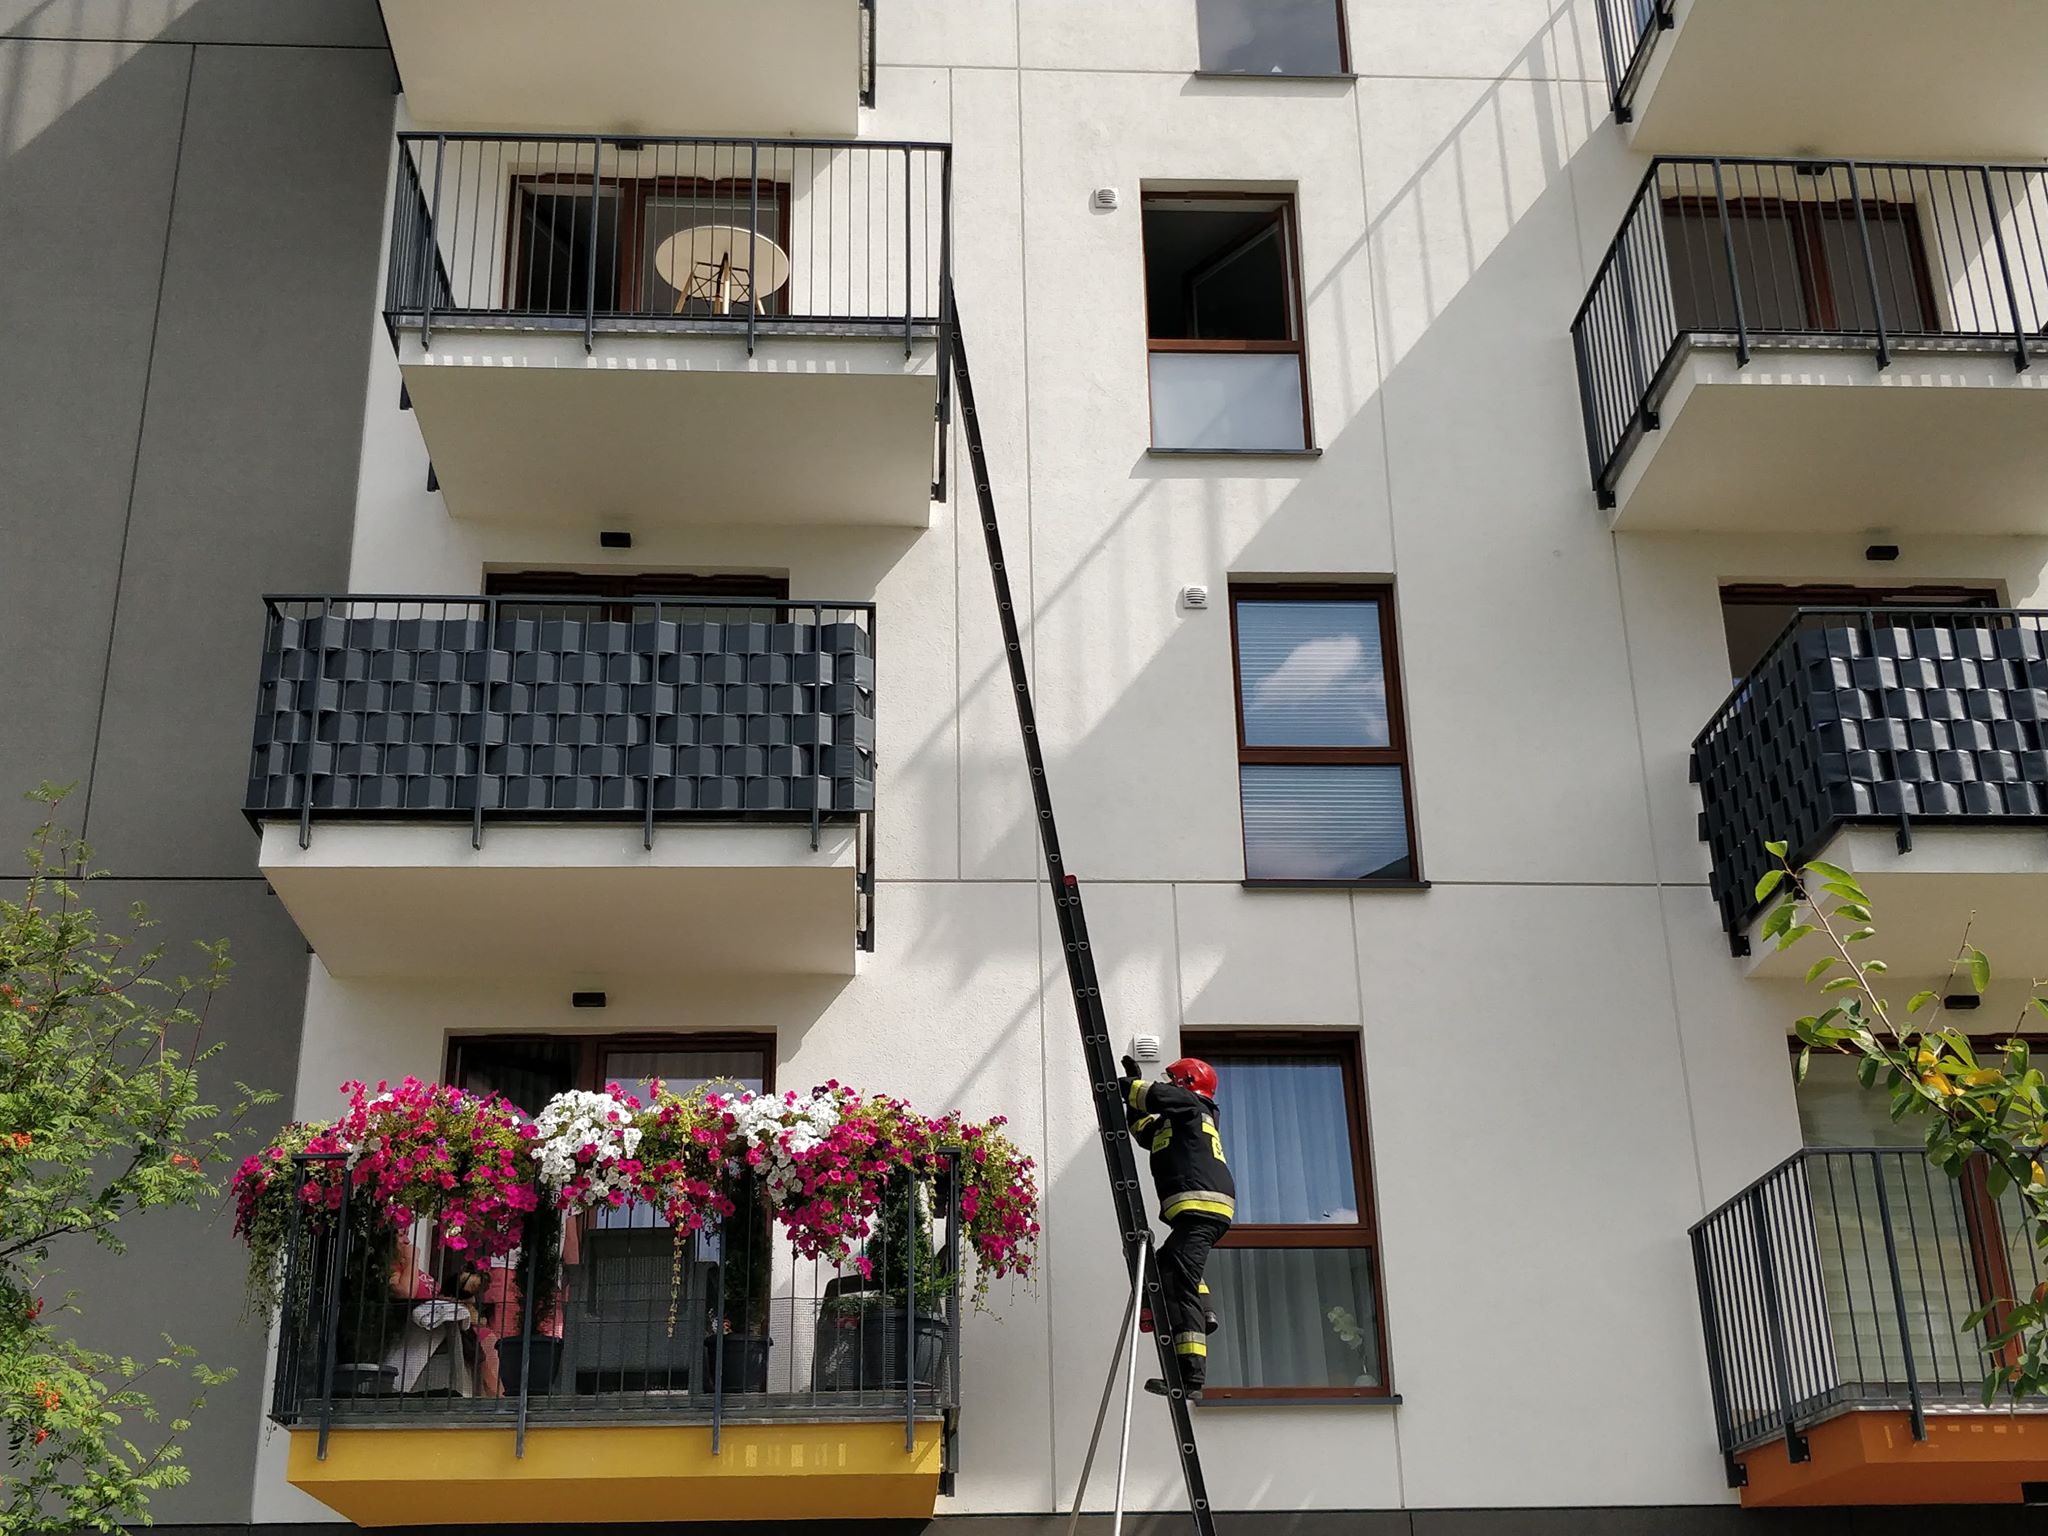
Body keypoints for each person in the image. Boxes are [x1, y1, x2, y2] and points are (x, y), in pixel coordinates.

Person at [1118, 1054, 1233, 1402]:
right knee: (1166, 1265)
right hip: (1198, 1210)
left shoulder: (1191, 1104)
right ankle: (1203, 1310)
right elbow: (1143, 1131)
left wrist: (1122, 1086)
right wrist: (1133, 1098)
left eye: (1173, 1079)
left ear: (1187, 1083)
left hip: (1201, 1208)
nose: (1168, 1084)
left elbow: (1154, 1095)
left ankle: (1189, 1378)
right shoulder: (1180, 1119)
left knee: (1179, 1283)